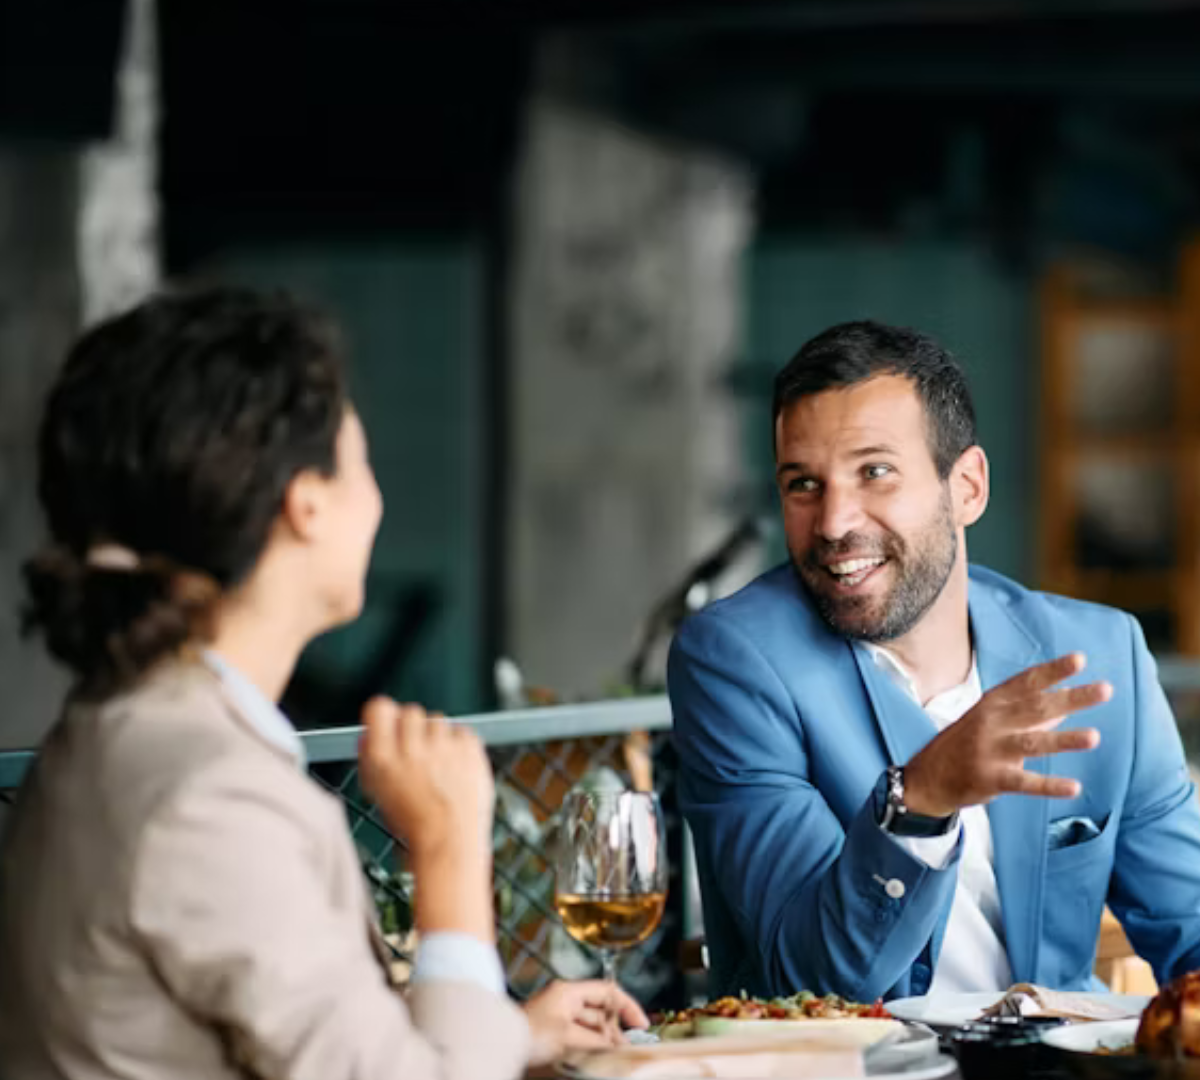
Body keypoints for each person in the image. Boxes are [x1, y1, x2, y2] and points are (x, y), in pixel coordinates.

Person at [0, 287, 646, 1080]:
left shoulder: (122, 731)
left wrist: (503, 1033)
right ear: (306, 505)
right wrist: (448, 847)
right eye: (362, 464)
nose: (373, 497)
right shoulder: (207, 800)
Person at [669, 319, 1200, 1003]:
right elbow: (806, 977)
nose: (833, 523)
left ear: (967, 488)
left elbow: (1189, 929)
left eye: (875, 472)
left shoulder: (1102, 656)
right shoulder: (735, 662)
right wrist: (918, 802)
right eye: (803, 484)